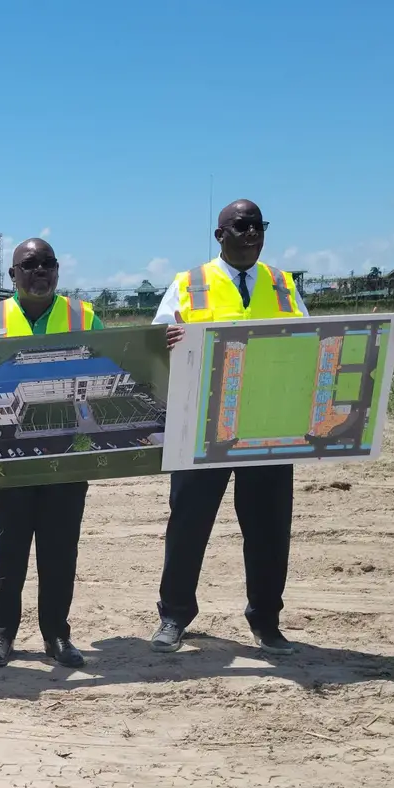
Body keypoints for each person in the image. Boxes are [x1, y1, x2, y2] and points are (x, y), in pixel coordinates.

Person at [150, 199, 307, 656]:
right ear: (220, 234)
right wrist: (168, 341)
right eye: (242, 226)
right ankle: (174, 616)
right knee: (189, 524)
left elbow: (317, 338)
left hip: (269, 425)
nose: (252, 233)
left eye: (259, 226)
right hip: (203, 424)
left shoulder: (283, 285)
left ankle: (266, 621)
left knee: (269, 528)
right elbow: (158, 342)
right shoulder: (188, 283)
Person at [0, 237, 100, 670]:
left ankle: (57, 635)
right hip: (9, 459)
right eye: (29, 264)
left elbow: (112, 368)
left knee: (60, 549)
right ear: (12, 275)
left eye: (47, 263)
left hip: (67, 455)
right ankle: (1, 634)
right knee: (10, 548)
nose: (39, 271)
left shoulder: (84, 316)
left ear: (58, 269)